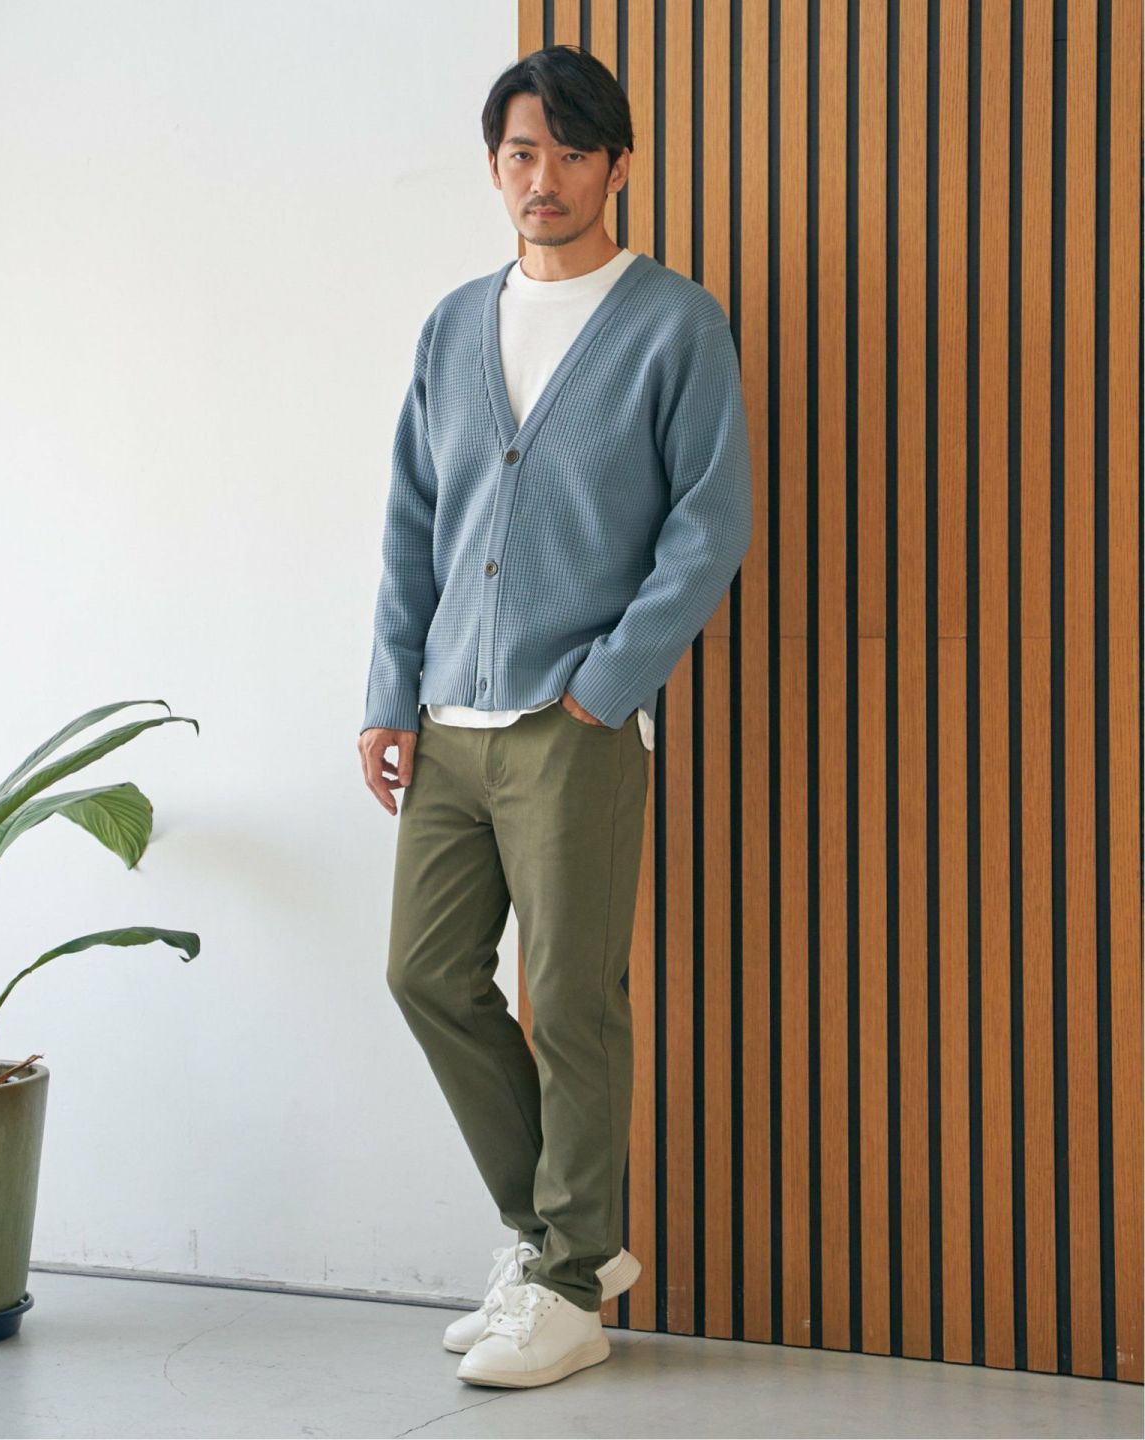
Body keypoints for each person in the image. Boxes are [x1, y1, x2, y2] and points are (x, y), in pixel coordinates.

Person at [357, 43, 753, 1389]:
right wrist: (388, 693)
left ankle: (572, 1288)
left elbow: (710, 525)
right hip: (447, 718)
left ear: (617, 166)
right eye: (523, 152)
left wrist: (608, 683)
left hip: (572, 723)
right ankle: (551, 1243)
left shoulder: (673, 325)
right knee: (425, 973)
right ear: (495, 166)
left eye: (572, 152)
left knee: (572, 1001)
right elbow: (413, 521)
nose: (545, 177)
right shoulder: (453, 326)